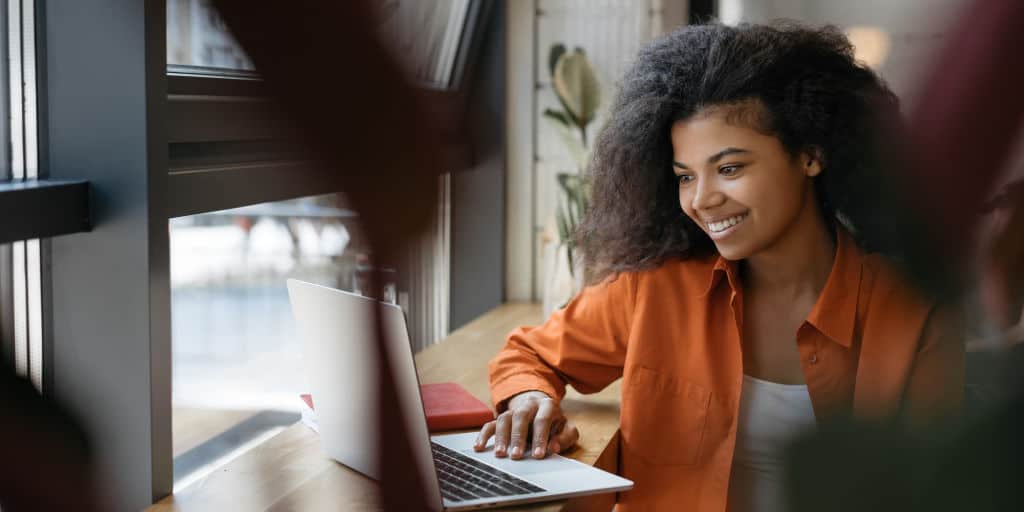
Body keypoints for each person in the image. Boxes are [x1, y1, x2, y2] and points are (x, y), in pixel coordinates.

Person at [475, 22, 965, 511]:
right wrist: (528, 401)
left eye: (730, 168)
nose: (702, 199)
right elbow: (529, 355)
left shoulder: (913, 312)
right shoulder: (653, 289)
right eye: (685, 176)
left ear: (811, 154)